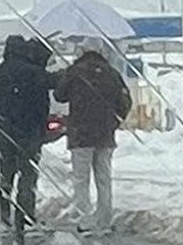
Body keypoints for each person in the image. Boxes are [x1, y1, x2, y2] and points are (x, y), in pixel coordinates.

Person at [0, 35, 59, 237]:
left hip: (6, 131)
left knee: (7, 174)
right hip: (30, 131)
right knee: (28, 175)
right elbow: (53, 82)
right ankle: (26, 218)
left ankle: (5, 219)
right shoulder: (34, 73)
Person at [54, 37, 132, 236]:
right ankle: (105, 219)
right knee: (104, 178)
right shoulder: (111, 73)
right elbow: (125, 100)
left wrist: (69, 72)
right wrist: (115, 121)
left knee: (81, 179)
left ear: (82, 50)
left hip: (81, 134)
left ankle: (84, 220)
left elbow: (59, 95)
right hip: (105, 134)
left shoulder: (75, 72)